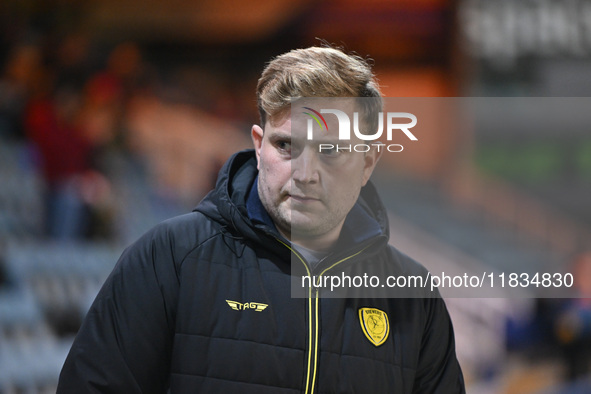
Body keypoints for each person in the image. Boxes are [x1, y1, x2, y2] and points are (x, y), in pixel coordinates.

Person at [57, 46, 465, 393]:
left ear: (367, 162)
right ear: (258, 145)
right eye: (286, 145)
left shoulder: (413, 298)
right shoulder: (168, 258)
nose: (305, 173)